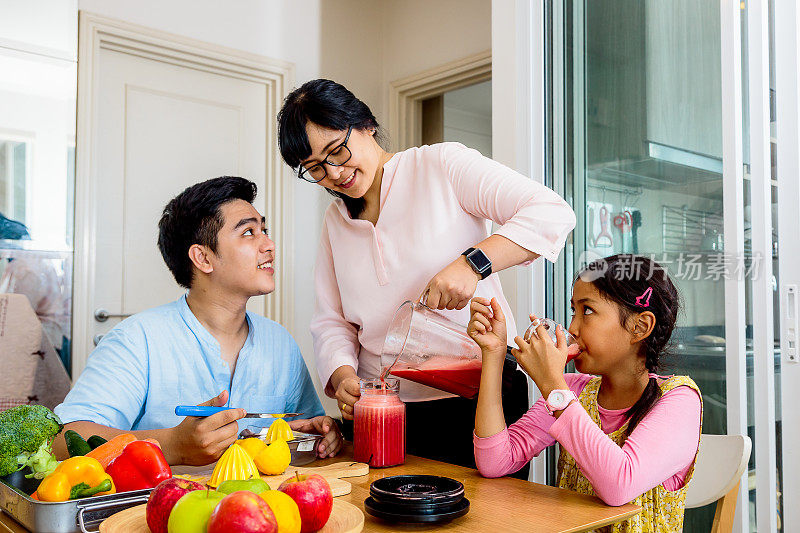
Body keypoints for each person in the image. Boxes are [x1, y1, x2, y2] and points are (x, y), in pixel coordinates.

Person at [277, 79, 576, 469]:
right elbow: (332, 321)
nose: (334, 173)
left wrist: (473, 263)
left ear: (365, 123)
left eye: (337, 151)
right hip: (385, 410)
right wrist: (345, 375)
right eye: (314, 168)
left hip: (477, 400)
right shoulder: (335, 222)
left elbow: (551, 212)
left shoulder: (441, 166)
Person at [54, 177, 342, 465]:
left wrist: (322, 434)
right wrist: (172, 445)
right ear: (203, 258)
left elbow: (308, 425)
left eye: (264, 230)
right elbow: (66, 439)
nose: (269, 245)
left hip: (261, 507)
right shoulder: (136, 339)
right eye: (249, 232)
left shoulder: (280, 343)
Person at [470, 254, 702, 532]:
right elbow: (495, 461)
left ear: (639, 327)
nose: (572, 329)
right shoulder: (573, 390)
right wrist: (494, 354)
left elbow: (619, 485)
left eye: (587, 311)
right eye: (573, 311)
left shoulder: (679, 399)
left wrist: (553, 386)